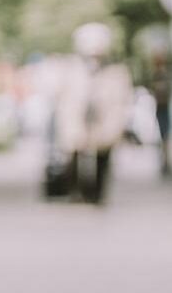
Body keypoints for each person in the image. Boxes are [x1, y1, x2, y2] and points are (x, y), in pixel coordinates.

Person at [52, 22, 133, 205]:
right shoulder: (72, 68)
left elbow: (121, 95)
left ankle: (96, 193)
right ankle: (76, 191)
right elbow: (62, 92)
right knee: (73, 154)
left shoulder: (114, 70)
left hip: (104, 120)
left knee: (102, 155)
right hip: (77, 119)